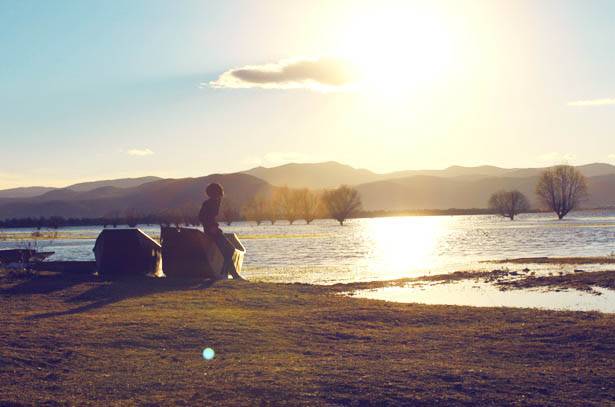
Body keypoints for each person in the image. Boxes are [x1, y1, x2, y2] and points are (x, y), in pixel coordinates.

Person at [199, 183, 242, 280]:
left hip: (213, 229)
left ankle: (231, 274)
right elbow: (202, 217)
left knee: (229, 250)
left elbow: (207, 217)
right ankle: (226, 274)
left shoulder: (215, 202)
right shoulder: (209, 203)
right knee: (230, 250)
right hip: (212, 231)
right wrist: (211, 227)